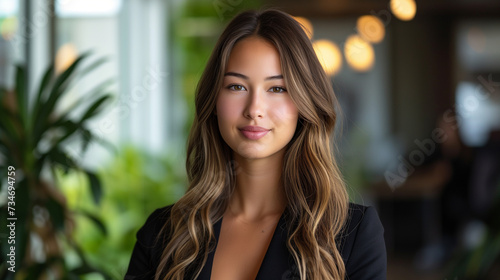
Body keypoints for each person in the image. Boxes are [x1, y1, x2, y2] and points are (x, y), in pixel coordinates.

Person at [125, 8, 386, 280]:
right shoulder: (162, 235)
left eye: (277, 88)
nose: (254, 109)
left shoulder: (351, 234)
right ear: (213, 102)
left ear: (304, 104)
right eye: (236, 86)